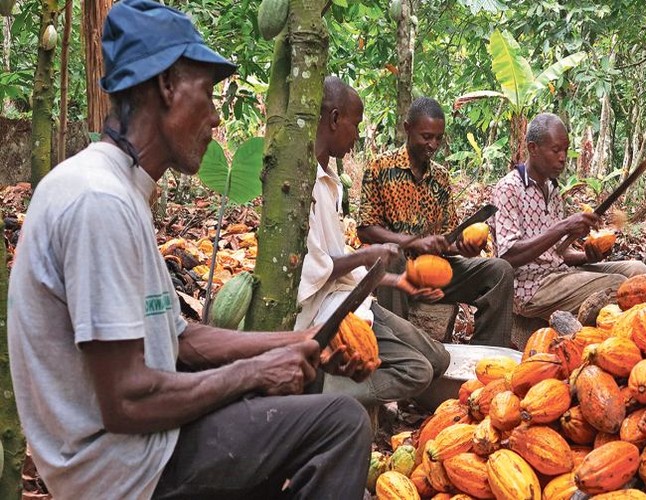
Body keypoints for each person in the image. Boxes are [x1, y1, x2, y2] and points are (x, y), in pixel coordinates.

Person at [7, 2, 372, 498]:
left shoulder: (120, 191)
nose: (216, 115)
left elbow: (180, 340)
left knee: (300, 387)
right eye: (208, 93)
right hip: (123, 469)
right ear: (165, 87)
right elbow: (128, 401)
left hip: (142, 447)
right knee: (342, 424)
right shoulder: (98, 200)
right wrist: (253, 371)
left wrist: (298, 341)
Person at [295, 77, 450, 407]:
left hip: (353, 297)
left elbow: (336, 260)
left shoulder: (331, 181)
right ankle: (318, 393)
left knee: (439, 360)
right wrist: (373, 256)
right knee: (417, 371)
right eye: (356, 124)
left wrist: (400, 280)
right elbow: (313, 270)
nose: (357, 135)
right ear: (335, 119)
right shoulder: (302, 184)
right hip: (327, 311)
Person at [357, 97, 515, 347]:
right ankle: (398, 350)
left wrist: (460, 247)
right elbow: (365, 229)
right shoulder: (380, 167)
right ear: (407, 128)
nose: (433, 145)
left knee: (500, 271)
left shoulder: (440, 177)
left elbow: (445, 238)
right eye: (426, 136)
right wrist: (413, 242)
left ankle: (488, 354)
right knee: (393, 256)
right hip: (394, 273)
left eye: (438, 138)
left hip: (431, 270)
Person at [492, 112, 646, 323]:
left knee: (638, 270)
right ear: (533, 148)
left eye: (565, 150)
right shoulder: (509, 188)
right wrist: (563, 227)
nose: (563, 157)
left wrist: (588, 256)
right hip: (530, 287)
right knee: (619, 285)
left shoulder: (552, 189)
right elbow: (508, 256)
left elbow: (557, 253)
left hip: (559, 274)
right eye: (556, 150)